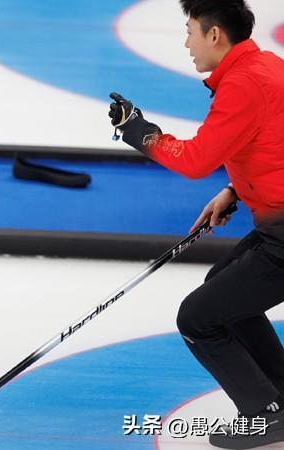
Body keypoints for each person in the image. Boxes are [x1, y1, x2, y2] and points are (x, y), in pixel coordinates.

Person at [108, 1, 284, 448]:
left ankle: (266, 413)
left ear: (215, 34)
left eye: (190, 31)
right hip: (275, 224)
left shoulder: (244, 83)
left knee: (198, 318)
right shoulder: (267, 66)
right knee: (222, 291)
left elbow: (195, 159)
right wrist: (235, 190)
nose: (186, 43)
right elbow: (271, 141)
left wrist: (139, 131)